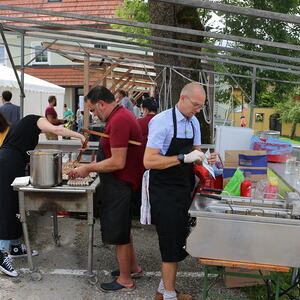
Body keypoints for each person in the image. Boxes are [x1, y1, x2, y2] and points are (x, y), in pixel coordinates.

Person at [143, 82, 218, 300]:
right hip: (163, 189)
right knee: (169, 242)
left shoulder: (193, 122)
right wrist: (182, 158)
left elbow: (195, 152)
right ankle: (169, 296)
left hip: (183, 187)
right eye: (195, 105)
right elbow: (148, 161)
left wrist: (205, 158)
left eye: (201, 106)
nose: (198, 110)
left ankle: (163, 289)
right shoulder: (162, 122)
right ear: (182, 98)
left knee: (179, 239)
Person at [69, 86, 144, 293]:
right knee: (124, 230)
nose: (94, 114)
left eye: (93, 110)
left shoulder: (119, 120)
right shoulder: (120, 116)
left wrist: (87, 168)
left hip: (121, 184)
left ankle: (125, 279)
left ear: (101, 104)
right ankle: (133, 267)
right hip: (122, 184)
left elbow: (118, 161)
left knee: (119, 234)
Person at [0, 115, 87, 277]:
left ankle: (15, 247)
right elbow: (56, 130)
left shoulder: (29, 129)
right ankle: (1, 253)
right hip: (7, 163)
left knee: (14, 205)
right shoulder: (35, 119)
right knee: (6, 207)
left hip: (14, 163)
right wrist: (80, 136)